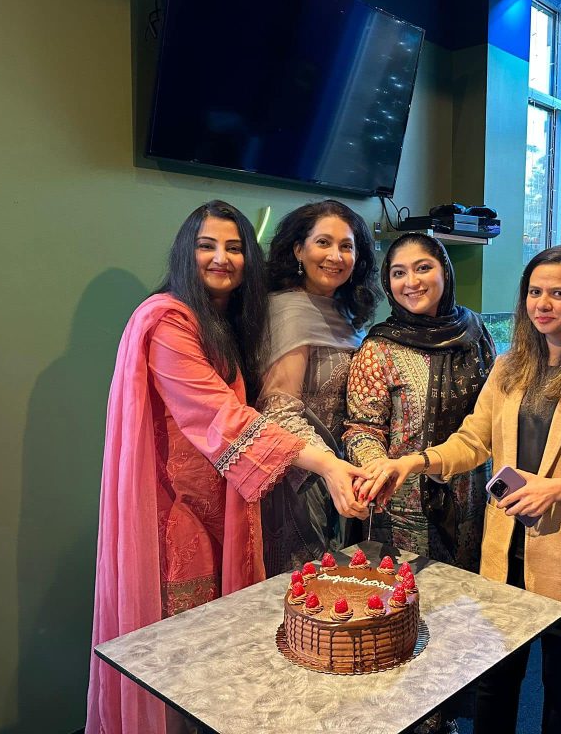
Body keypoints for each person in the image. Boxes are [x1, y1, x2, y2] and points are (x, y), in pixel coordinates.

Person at [86, 200, 368, 734]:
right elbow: (225, 418)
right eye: (207, 246)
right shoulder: (167, 320)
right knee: (186, 655)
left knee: (228, 652)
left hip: (229, 498)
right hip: (178, 512)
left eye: (234, 247)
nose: (222, 258)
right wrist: (326, 464)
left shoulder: (223, 320)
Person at [362, 245, 561, 734]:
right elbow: (473, 441)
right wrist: (414, 461)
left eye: (558, 294)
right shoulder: (510, 366)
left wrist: (554, 489)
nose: (543, 304)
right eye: (534, 293)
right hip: (503, 547)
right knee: (495, 677)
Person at [343, 232, 495, 570]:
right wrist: (377, 469)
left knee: (468, 592)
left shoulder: (475, 332)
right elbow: (361, 428)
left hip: (472, 494)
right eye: (398, 273)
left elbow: (492, 412)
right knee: (408, 594)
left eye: (423, 268)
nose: (411, 282)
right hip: (404, 508)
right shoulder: (379, 348)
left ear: (445, 271)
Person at [259, 199, 381, 574]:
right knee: (301, 591)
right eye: (323, 242)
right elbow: (278, 413)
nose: (335, 256)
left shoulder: (344, 312)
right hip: (298, 480)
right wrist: (328, 467)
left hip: (340, 476)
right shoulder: (287, 310)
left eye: (346, 246)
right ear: (299, 249)